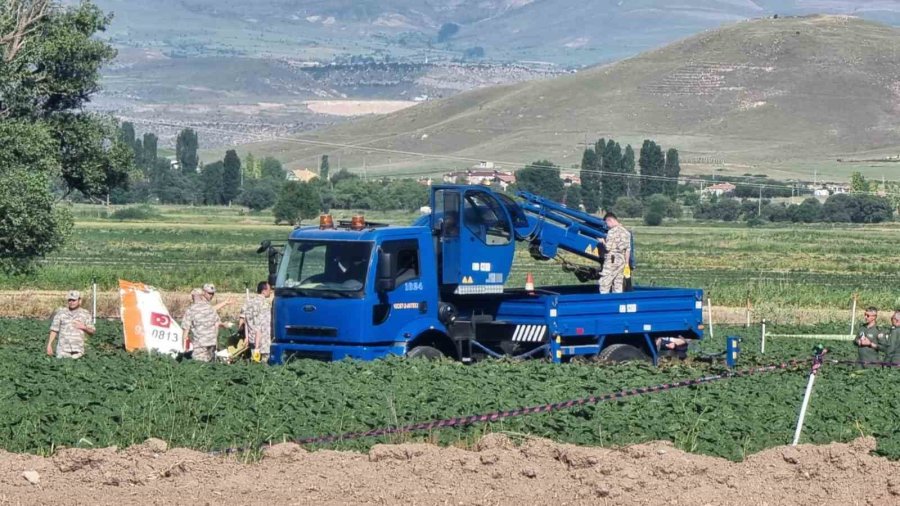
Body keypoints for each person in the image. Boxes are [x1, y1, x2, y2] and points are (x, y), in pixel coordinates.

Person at [181, 284, 230, 363]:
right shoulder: (210, 308)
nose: (211, 295)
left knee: (200, 367)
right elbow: (217, 323)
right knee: (211, 366)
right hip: (212, 344)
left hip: (200, 345)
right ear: (202, 295)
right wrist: (224, 325)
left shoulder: (190, 310)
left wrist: (184, 348)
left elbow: (185, 332)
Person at [46, 290, 95, 359]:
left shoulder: (85, 314)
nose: (71, 302)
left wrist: (84, 327)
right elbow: (54, 330)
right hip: (63, 350)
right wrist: (49, 345)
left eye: (74, 300)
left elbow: (92, 332)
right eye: (70, 300)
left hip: (78, 351)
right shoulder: (61, 313)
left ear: (79, 301)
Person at [238, 281, 273, 363]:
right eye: (269, 290)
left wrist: (245, 336)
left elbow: (243, 320)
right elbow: (260, 325)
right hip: (263, 342)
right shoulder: (265, 304)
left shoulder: (248, 303)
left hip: (251, 339)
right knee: (263, 365)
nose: (270, 291)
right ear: (263, 291)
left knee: (254, 363)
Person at [598, 211, 632, 294]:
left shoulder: (612, 232)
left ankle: (603, 303)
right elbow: (628, 250)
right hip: (622, 261)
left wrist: (602, 241)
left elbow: (608, 248)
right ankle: (616, 303)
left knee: (604, 283)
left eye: (607, 223)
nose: (607, 226)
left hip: (612, 260)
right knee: (617, 284)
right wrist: (626, 264)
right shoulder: (626, 232)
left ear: (610, 220)